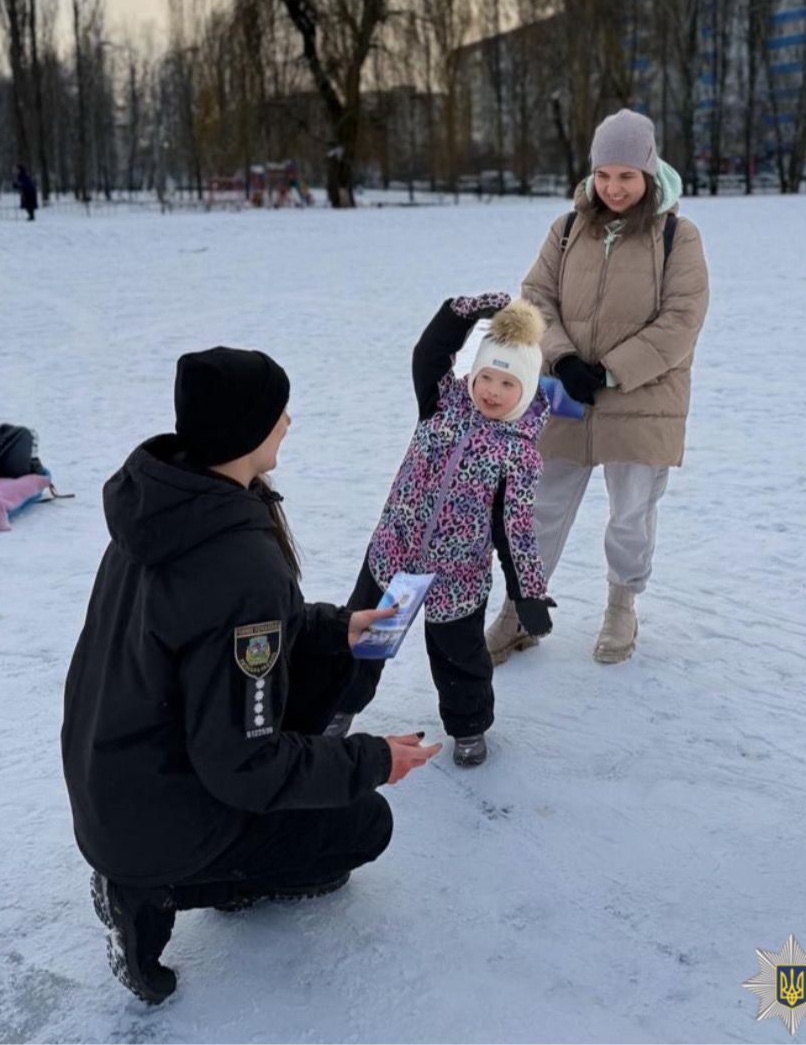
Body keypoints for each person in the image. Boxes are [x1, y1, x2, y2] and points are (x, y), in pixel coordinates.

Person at [61, 346, 440, 1005]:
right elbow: (244, 765)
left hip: (113, 783)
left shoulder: (163, 507)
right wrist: (372, 759)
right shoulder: (239, 565)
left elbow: (211, 631)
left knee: (321, 666)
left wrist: (335, 627)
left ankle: (150, 870)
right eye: (277, 411)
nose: (288, 421)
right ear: (245, 430)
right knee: (362, 826)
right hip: (155, 818)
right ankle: (154, 890)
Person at [486, 108, 709, 665]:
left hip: (643, 398)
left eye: (627, 176)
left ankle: (620, 606)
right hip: (567, 396)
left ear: (649, 172)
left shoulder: (677, 236)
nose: (614, 188)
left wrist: (609, 371)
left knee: (631, 513)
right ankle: (521, 611)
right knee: (539, 508)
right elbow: (536, 296)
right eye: (604, 175)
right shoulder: (567, 229)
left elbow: (682, 319)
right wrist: (562, 358)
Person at [327, 294, 555, 767]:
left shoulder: (518, 454)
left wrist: (528, 593)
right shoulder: (440, 403)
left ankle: (469, 727)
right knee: (367, 638)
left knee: (459, 656)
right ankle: (339, 708)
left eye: (507, 383)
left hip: (458, 574)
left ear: (526, 390)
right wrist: (459, 313)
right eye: (486, 376)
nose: (492, 391)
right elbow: (429, 353)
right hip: (395, 554)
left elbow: (514, 528)